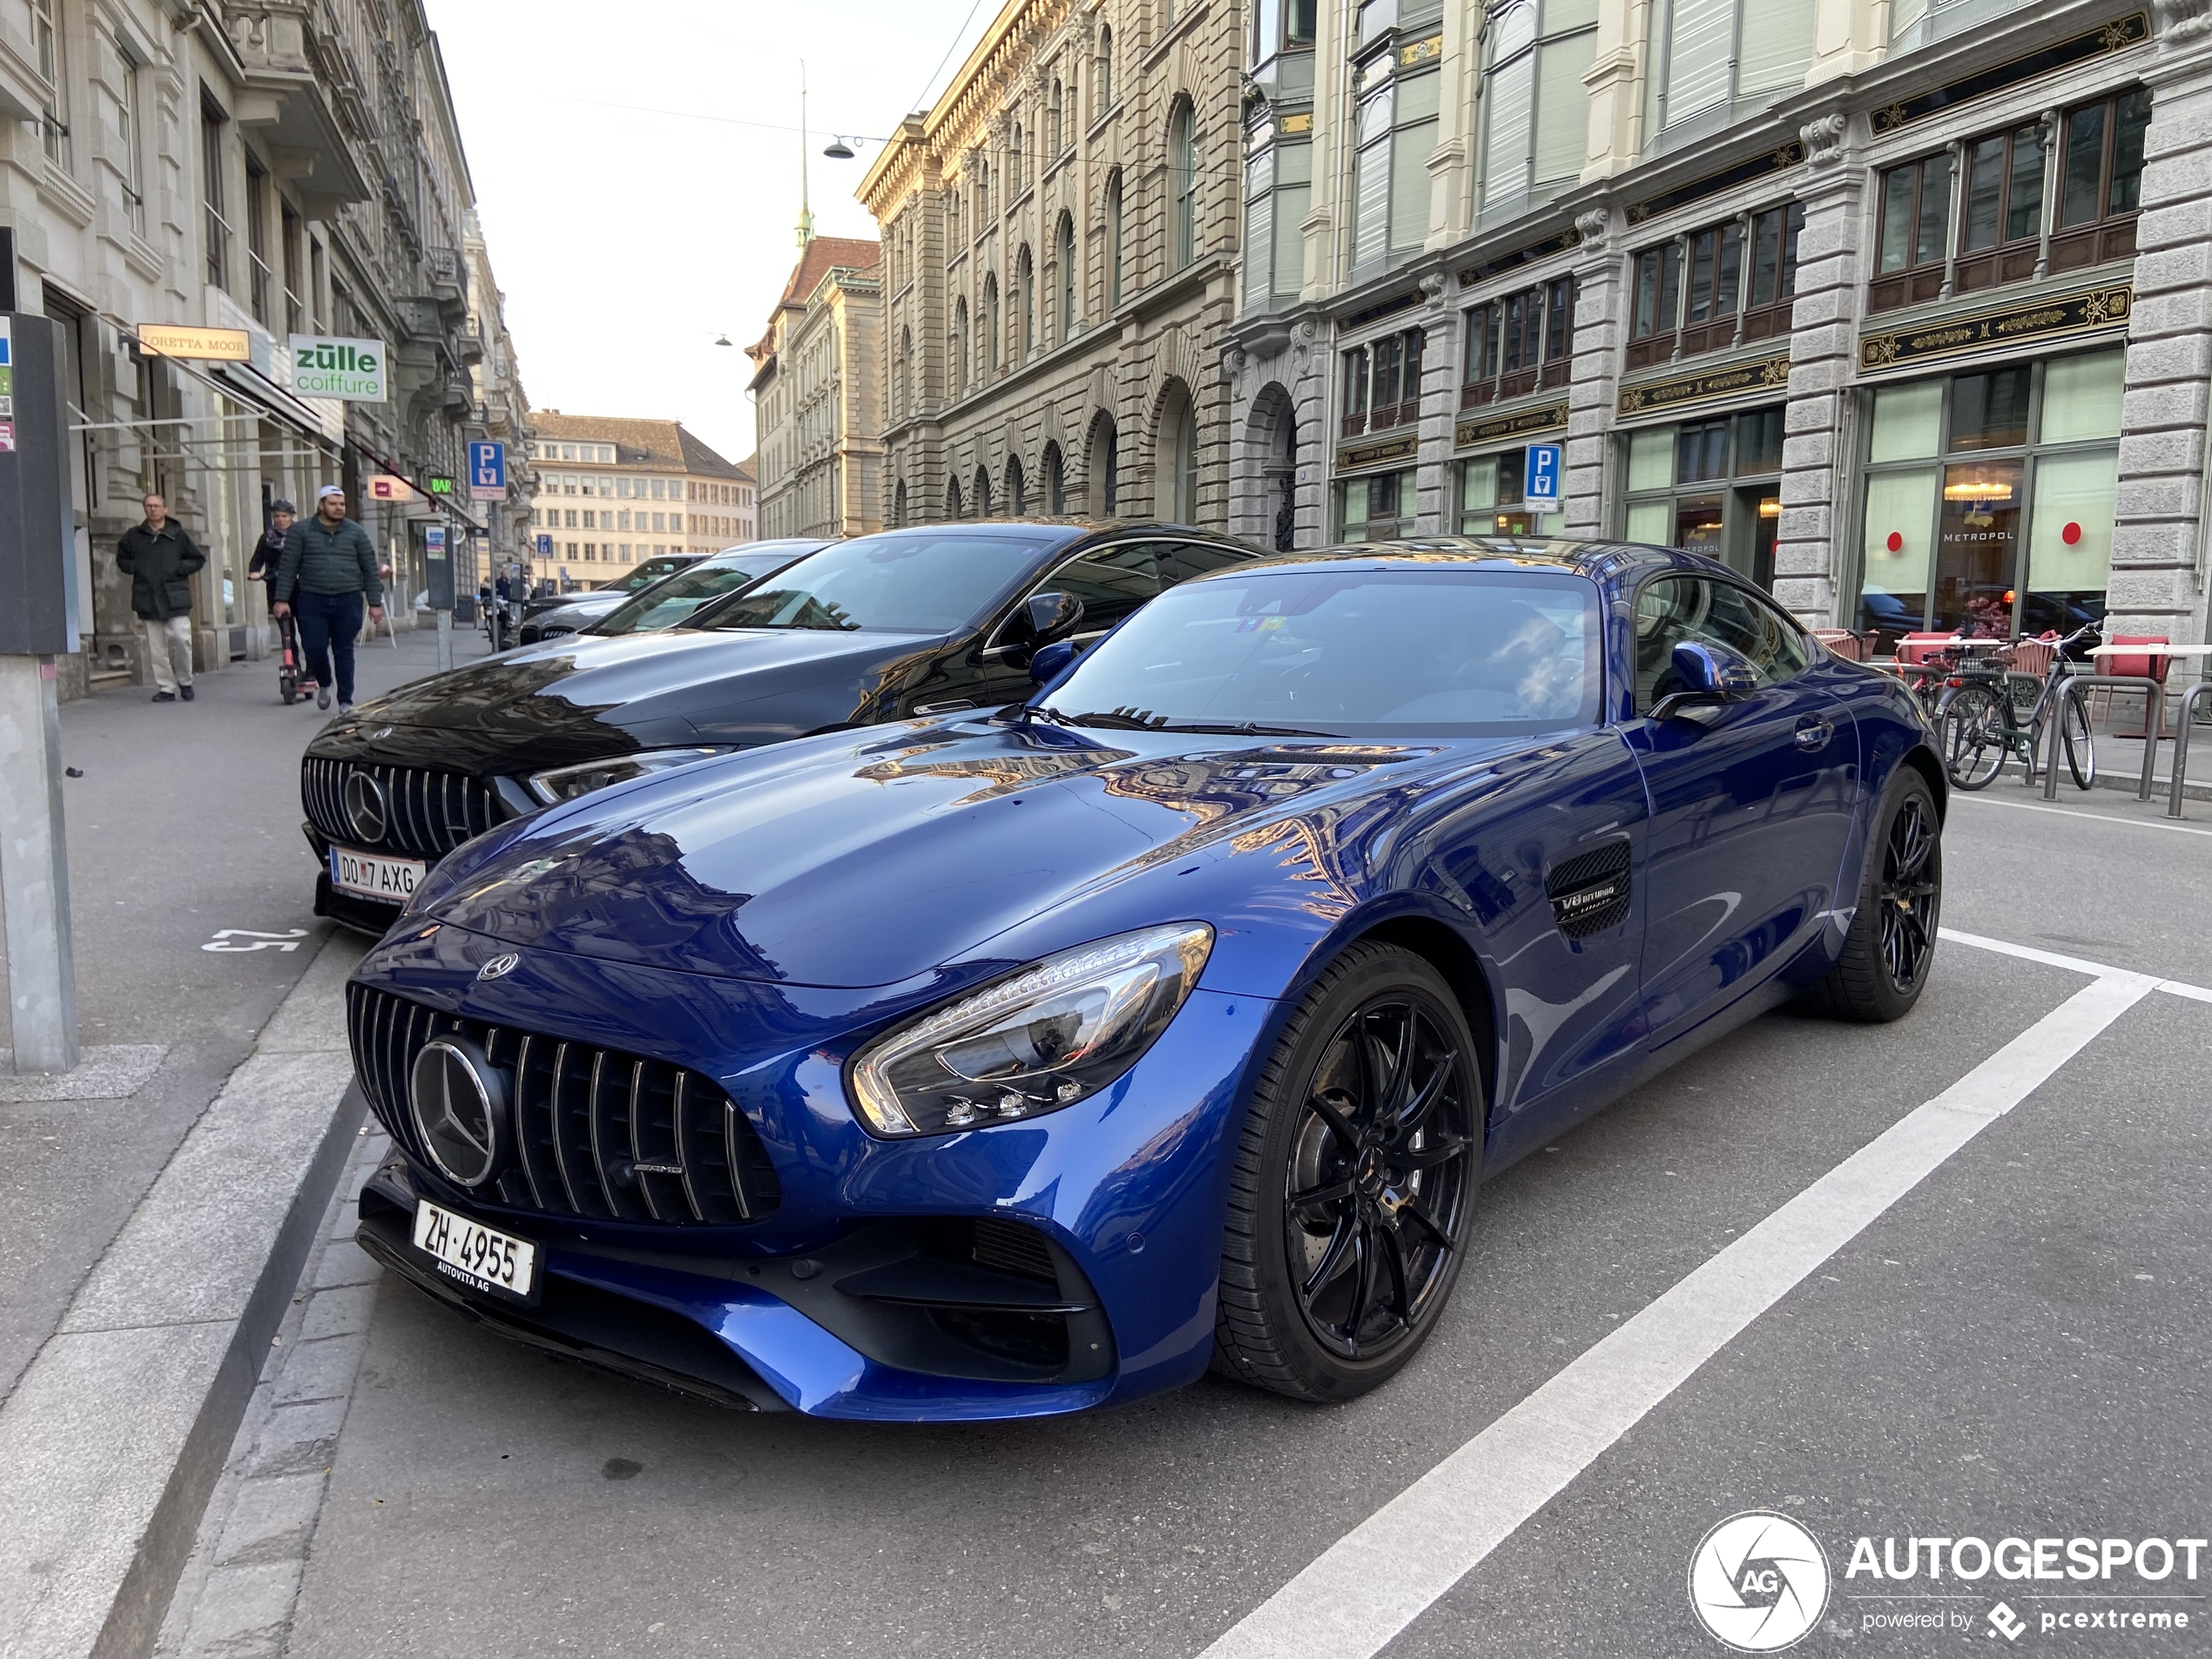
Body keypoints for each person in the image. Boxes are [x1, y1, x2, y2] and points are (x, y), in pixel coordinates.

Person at [272, 484, 383, 712]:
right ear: (321, 505)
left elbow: (370, 569)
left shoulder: (356, 532)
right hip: (312, 599)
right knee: (313, 647)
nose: (339, 508)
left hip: (348, 599)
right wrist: (281, 599)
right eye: (333, 503)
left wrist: (375, 603)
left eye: (342, 504)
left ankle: (345, 701)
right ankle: (324, 683)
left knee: (344, 650)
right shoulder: (301, 531)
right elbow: (288, 567)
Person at [117, 493, 206, 703]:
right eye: (148, 506)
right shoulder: (134, 536)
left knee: (182, 639)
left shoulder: (178, 535)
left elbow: (197, 559)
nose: (152, 509)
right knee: (157, 647)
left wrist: (178, 569)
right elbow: (122, 558)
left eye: (156, 506)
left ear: (165, 510)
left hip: (175, 595)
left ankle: (185, 681)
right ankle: (166, 687)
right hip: (147, 596)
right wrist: (136, 568)